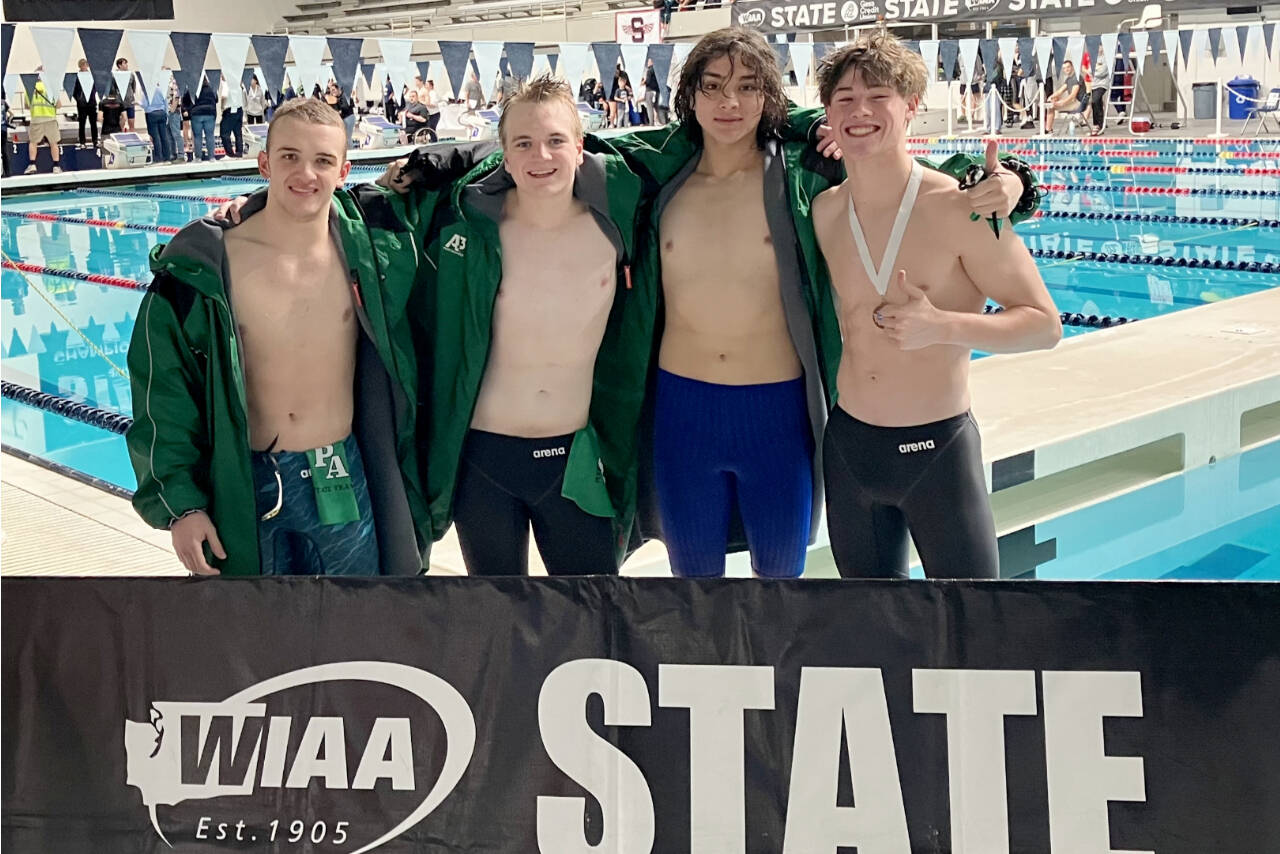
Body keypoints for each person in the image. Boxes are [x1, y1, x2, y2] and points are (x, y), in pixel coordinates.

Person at [125, 98, 426, 577]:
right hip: (247, 481)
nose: (305, 173)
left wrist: (428, 161)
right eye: (289, 156)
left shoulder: (373, 252)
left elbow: (500, 164)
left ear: (344, 171)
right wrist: (182, 506)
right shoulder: (203, 270)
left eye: (323, 160)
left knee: (354, 628)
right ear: (264, 163)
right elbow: (162, 393)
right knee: (252, 638)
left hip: (339, 469)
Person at [811, 34, 1061, 580]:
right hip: (850, 448)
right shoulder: (826, 211)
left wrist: (942, 326)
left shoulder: (962, 208)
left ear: (911, 108)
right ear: (827, 115)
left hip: (937, 451)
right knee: (873, 632)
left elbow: (1045, 325)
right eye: (845, 99)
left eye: (879, 96)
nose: (860, 111)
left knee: (974, 628)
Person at [414, 75, 651, 577]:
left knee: (593, 611)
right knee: (500, 621)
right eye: (523, 143)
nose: (540, 155)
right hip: (483, 460)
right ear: (502, 152)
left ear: (581, 147)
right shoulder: (471, 228)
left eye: (555, 140)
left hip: (574, 460)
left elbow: (692, 144)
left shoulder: (618, 221)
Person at [25, 72, 62, 174]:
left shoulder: (29, 87)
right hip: (50, 118)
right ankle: (56, 166)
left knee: (33, 142)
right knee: (53, 143)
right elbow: (59, 105)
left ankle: (32, 164)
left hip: (36, 119)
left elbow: (27, 106)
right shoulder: (51, 88)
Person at [1044, 59, 1086, 134]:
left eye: (1068, 67)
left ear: (1072, 67)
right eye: (1064, 68)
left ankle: (1048, 129)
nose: (1066, 69)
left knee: (1051, 107)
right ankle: (1048, 129)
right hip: (1074, 102)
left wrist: (1062, 103)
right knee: (1051, 103)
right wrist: (1050, 97)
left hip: (1078, 103)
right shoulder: (1069, 79)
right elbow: (1060, 91)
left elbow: (1073, 96)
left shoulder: (1077, 78)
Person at [142, 74, 174, 163]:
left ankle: (159, 158)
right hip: (162, 113)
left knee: (156, 137)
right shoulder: (161, 89)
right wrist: (166, 113)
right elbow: (166, 103)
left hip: (151, 114)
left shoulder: (146, 91)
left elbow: (144, 104)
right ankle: (167, 157)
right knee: (164, 136)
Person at [189, 77, 218, 160]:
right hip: (209, 113)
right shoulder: (211, 88)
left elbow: (187, 100)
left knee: (197, 136)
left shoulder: (193, 88)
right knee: (210, 135)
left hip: (196, 114)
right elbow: (216, 99)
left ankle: (198, 157)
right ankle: (211, 157)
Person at [73, 59, 98, 149]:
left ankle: (95, 141)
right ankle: (82, 141)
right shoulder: (77, 77)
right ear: (80, 66)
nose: (84, 66)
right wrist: (78, 99)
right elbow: (74, 90)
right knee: (82, 123)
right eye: (82, 65)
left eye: (86, 64)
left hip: (91, 102)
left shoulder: (92, 76)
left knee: (93, 123)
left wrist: (92, 96)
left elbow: (95, 88)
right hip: (82, 104)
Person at [218, 78, 245, 157]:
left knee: (224, 133)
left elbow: (223, 96)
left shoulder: (227, 84)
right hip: (239, 109)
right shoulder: (239, 84)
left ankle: (230, 153)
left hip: (230, 110)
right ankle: (239, 152)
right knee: (238, 133)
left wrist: (222, 107)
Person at [325, 80, 355, 146]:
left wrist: (340, 110)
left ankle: (350, 150)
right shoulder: (337, 98)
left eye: (333, 90)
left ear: (338, 89)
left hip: (349, 117)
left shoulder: (344, 96)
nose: (332, 92)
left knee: (347, 137)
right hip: (344, 118)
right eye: (331, 90)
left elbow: (348, 106)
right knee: (344, 136)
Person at [1085, 52, 1109, 135]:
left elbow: (1103, 72)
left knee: (1095, 101)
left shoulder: (1106, 57)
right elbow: (1088, 70)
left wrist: (1094, 71)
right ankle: (1098, 125)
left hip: (1103, 84)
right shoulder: (1093, 57)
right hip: (1094, 84)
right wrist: (1096, 69)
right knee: (1096, 103)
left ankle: (1098, 125)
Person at [116, 58, 137, 132]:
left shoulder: (131, 75)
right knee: (122, 120)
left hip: (130, 101)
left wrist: (131, 95)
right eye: (125, 63)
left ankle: (133, 138)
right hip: (120, 102)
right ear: (119, 65)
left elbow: (133, 87)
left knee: (131, 121)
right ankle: (119, 135)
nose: (126, 65)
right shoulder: (115, 75)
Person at [644, 58, 661, 125]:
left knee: (649, 107)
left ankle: (651, 122)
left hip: (649, 90)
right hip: (657, 90)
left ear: (651, 62)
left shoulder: (649, 70)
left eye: (648, 62)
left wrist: (643, 82)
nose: (647, 63)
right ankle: (658, 120)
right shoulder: (658, 70)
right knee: (656, 106)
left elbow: (648, 81)